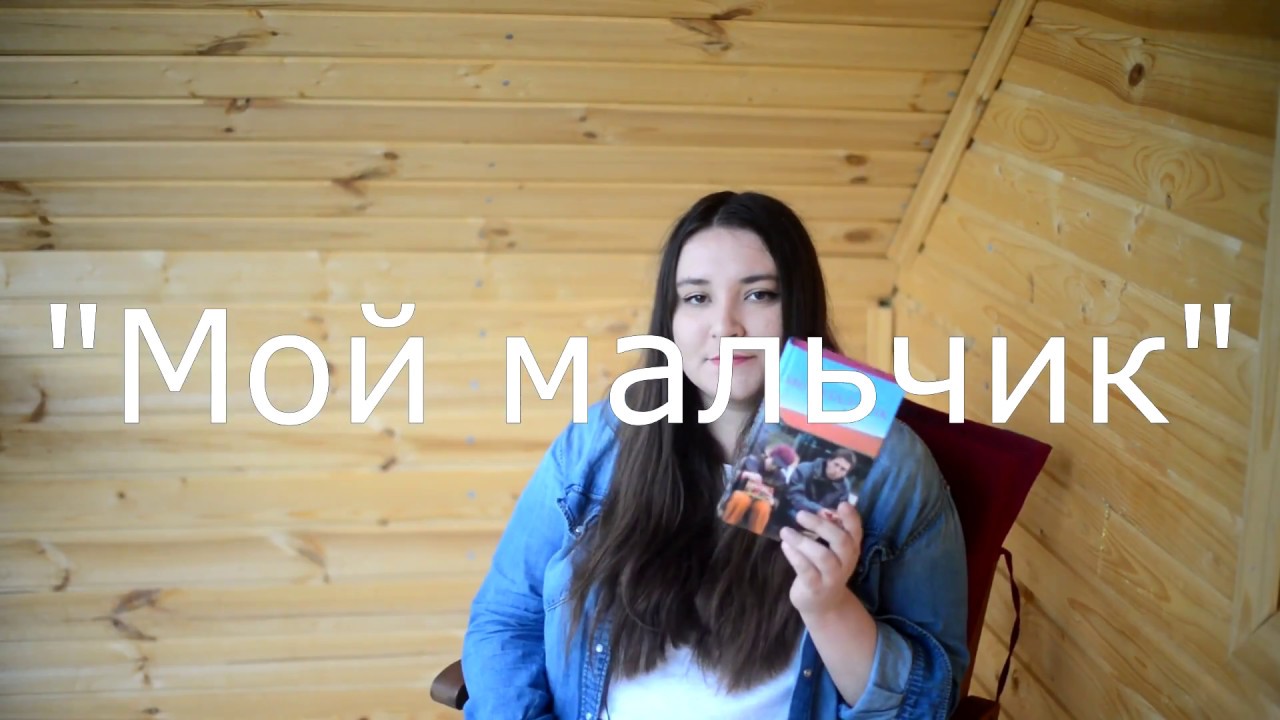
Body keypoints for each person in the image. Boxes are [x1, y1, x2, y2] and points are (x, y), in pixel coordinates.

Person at [461, 191, 970, 719]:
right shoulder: (601, 440)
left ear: (799, 306)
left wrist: (830, 608)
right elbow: (506, 619)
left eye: (759, 295)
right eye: (697, 298)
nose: (726, 326)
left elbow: (930, 702)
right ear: (670, 318)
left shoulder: (888, 465)